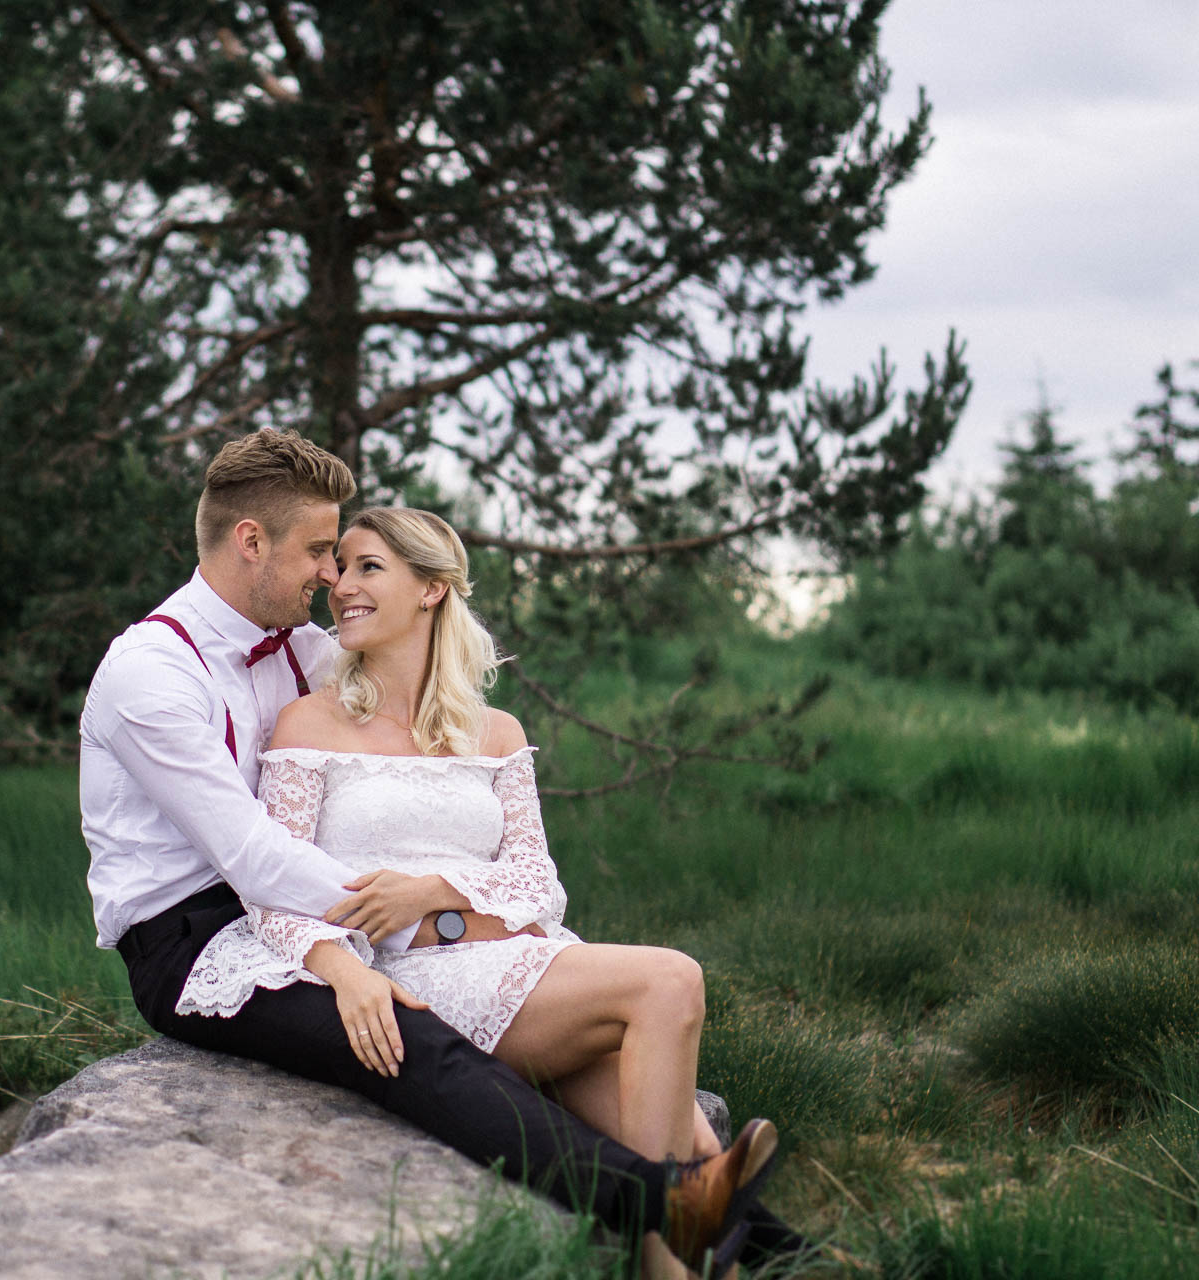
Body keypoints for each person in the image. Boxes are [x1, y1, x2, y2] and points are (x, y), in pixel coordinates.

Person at [79, 429, 791, 1278]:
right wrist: (388, 933)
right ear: (249, 541)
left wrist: (432, 905)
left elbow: (392, 691)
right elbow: (250, 853)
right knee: (405, 1036)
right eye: (318, 552)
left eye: (346, 561)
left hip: (297, 912)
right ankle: (665, 1205)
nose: (329, 578)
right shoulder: (150, 672)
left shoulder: (305, 652)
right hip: (189, 942)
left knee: (576, 1059)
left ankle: (773, 1245)